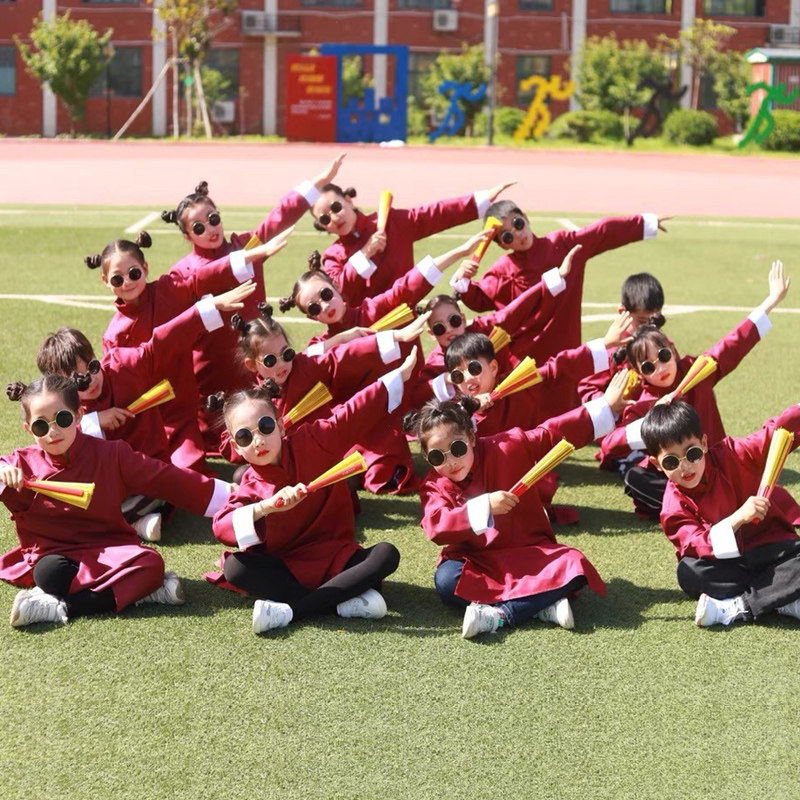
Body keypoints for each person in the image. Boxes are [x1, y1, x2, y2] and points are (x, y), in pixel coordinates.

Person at [207, 350, 419, 635]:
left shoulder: (312, 440)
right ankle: (338, 599)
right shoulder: (250, 485)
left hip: (333, 554)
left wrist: (396, 377)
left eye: (265, 426)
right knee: (236, 568)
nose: (258, 440)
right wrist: (266, 507)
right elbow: (221, 526)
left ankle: (293, 609)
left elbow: (350, 413)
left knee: (386, 554)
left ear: (280, 425)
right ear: (235, 445)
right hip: (285, 565)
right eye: (245, 436)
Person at [406, 370, 629, 639]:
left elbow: (553, 433)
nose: (451, 462)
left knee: (576, 565)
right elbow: (436, 526)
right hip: (478, 560)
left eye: (457, 449)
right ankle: (538, 606)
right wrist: (485, 506)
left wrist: (604, 407)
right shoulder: (433, 484)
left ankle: (502, 613)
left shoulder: (508, 445)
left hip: (529, 551)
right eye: (437, 456)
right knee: (446, 581)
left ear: (472, 438)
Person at [0, 374, 231, 628]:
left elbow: (165, 478)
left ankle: (58, 607)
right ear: (28, 428)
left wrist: (231, 497)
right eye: (41, 426)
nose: (53, 432)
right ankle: (140, 592)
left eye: (62, 419)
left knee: (151, 564)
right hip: (57, 555)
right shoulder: (20, 464)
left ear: (78, 417)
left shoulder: (111, 454)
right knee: (49, 574)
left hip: (109, 549)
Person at [35, 282, 255, 541]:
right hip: (107, 483)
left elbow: (161, 341)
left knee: (171, 482)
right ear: (61, 386)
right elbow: (48, 448)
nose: (91, 380)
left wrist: (205, 309)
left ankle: (142, 516)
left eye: (93, 367)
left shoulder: (123, 365)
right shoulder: (60, 406)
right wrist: (94, 421)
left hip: (150, 467)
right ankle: (136, 520)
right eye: (79, 381)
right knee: (75, 507)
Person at [162, 155, 345, 446]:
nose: (210, 229)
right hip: (212, 369)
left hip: (261, 364)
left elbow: (279, 216)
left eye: (213, 219)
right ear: (187, 235)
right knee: (221, 432)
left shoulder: (245, 245)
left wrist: (318, 182)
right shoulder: (183, 272)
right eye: (198, 227)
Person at [601, 261, 791, 519]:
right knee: (636, 477)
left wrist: (772, 299)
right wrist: (645, 418)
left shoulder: (696, 372)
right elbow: (609, 446)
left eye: (664, 355)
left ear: (672, 349)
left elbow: (734, 342)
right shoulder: (643, 402)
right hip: (682, 480)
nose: (660, 368)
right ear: (637, 371)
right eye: (648, 366)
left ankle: (716, 505)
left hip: (716, 465)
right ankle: (700, 507)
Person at [91, 229, 288, 470]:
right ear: (105, 281)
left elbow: (200, 278)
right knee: (140, 472)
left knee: (189, 469)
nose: (128, 283)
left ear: (145, 267)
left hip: (182, 413)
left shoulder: (167, 290)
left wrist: (254, 254)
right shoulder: (114, 335)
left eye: (133, 273)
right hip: (143, 418)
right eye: (117, 279)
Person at [452, 202, 668, 419]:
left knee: (564, 415)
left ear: (526, 217)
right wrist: (464, 281)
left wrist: (644, 223)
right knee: (523, 416)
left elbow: (601, 232)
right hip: (523, 357)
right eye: (507, 236)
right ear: (502, 245)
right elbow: (481, 299)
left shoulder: (562, 245)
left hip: (565, 350)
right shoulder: (503, 270)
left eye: (518, 223)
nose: (517, 234)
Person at [219, 303, 426, 495]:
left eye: (287, 354)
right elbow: (233, 449)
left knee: (343, 480)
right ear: (252, 365)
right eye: (271, 360)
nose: (281, 364)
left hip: (318, 456)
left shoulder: (305, 367)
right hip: (278, 465)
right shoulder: (253, 400)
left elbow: (342, 356)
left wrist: (396, 336)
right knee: (240, 475)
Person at [640, 401, 800, 628]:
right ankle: (781, 597)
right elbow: (697, 545)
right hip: (731, 567)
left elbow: (777, 433)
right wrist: (739, 518)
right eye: (671, 461)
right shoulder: (671, 508)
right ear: (657, 464)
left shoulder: (733, 453)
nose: (685, 466)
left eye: (692, 453)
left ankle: (740, 606)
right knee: (689, 572)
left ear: (704, 444)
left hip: (777, 551)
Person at [412, 244, 578, 407]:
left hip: (513, 400)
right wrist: (447, 378)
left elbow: (515, 310)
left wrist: (550, 282)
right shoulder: (436, 363)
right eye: (439, 328)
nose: (449, 329)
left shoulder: (482, 328)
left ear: (463, 318)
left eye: (453, 321)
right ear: (431, 333)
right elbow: (417, 395)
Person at [279, 230, 493, 350]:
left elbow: (409, 284)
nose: (325, 305)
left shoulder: (372, 310)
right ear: (312, 317)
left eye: (325, 294)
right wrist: (344, 338)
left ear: (336, 287)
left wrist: (461, 251)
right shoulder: (322, 345)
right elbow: (308, 358)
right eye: (315, 307)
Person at [313, 179, 514, 305]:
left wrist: (480, 200)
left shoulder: (393, 221)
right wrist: (365, 253)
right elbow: (340, 291)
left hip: (405, 324)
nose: (334, 217)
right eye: (324, 219)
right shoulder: (332, 256)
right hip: (365, 332)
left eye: (336, 206)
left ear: (348, 199)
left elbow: (435, 215)